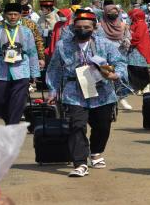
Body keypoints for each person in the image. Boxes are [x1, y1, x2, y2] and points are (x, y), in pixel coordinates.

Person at [46, 10, 127, 177]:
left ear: (94, 27)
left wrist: (116, 74)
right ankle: (80, 163)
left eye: (86, 27)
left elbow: (120, 62)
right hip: (73, 90)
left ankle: (96, 151)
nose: (82, 29)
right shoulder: (63, 45)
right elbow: (54, 69)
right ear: (73, 27)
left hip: (102, 91)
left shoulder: (105, 44)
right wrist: (52, 90)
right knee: (76, 125)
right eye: (79, 26)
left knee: (103, 125)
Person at [0, 3, 40, 125]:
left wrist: (34, 73)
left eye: (16, 14)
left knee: (18, 101)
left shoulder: (26, 31)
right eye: (10, 14)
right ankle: (9, 122)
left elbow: (32, 52)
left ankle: (12, 127)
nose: (13, 17)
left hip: (21, 70)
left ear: (20, 15)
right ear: (5, 15)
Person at [99, 4, 133, 110]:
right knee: (104, 77)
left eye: (115, 12)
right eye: (110, 12)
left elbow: (128, 37)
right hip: (104, 57)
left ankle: (121, 98)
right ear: (105, 13)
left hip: (120, 55)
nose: (113, 14)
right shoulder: (99, 26)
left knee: (121, 77)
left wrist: (126, 42)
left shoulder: (123, 25)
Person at [126, 9, 150, 94]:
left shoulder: (141, 24)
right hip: (134, 49)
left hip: (140, 49)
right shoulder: (136, 23)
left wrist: (128, 36)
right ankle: (137, 87)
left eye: (131, 16)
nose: (130, 18)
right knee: (133, 68)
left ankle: (146, 85)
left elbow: (137, 37)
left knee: (141, 68)